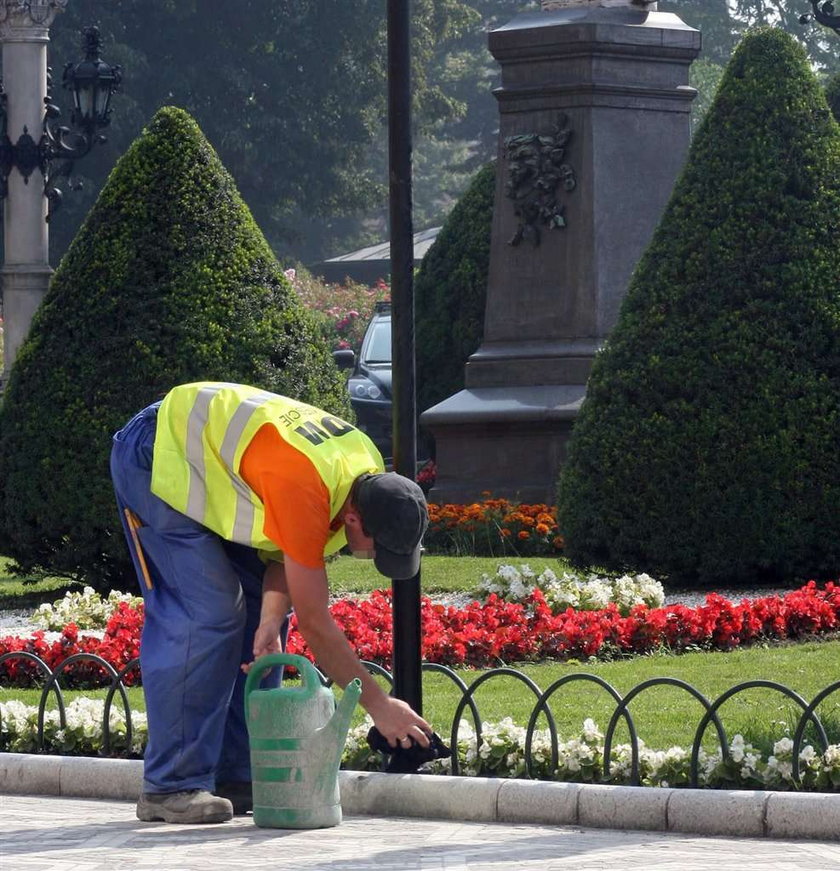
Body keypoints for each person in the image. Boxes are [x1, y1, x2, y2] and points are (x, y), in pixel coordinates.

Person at [110, 382, 431, 824]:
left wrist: (271, 617)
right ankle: (171, 786)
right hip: (158, 451)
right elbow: (317, 624)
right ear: (355, 519)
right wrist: (379, 706)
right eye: (379, 547)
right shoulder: (307, 484)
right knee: (209, 613)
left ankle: (237, 776)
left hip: (216, 467)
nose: (376, 556)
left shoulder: (363, 473)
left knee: (264, 622)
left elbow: (286, 551)